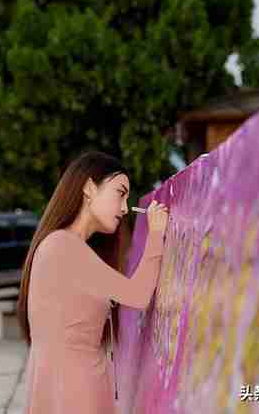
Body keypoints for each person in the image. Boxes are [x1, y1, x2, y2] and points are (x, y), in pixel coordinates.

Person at [17, 151, 169, 414]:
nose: (124, 207)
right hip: (75, 390)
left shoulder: (63, 245)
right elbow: (138, 295)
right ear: (89, 188)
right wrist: (156, 234)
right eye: (120, 193)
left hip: (69, 385)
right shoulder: (64, 246)